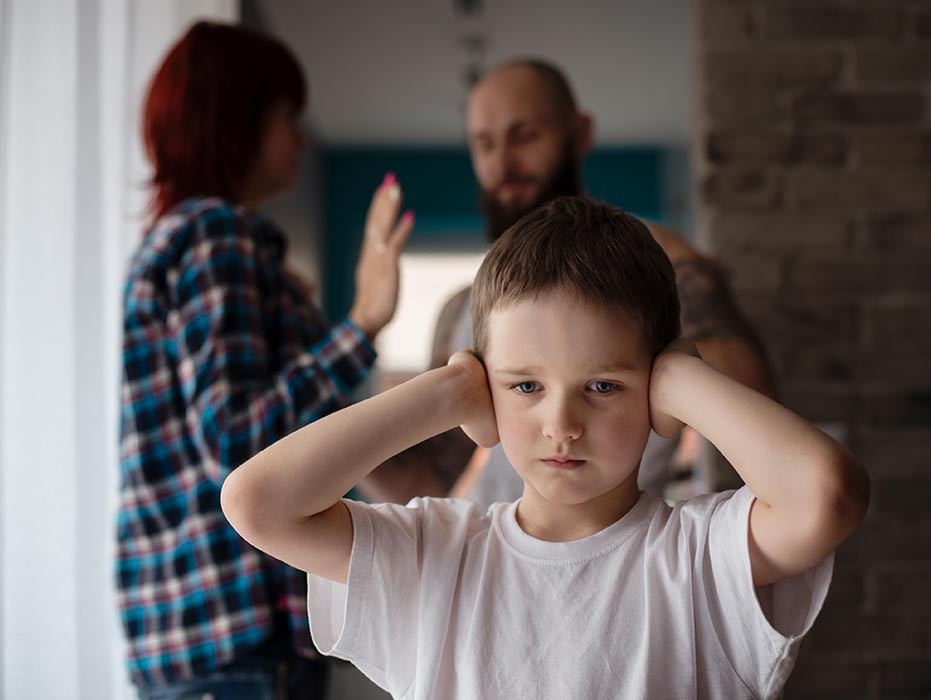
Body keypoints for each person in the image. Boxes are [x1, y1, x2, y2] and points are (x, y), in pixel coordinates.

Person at [222, 196, 870, 699]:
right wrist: (446, 394)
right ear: (486, 385)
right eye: (525, 384)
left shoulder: (699, 557)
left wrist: (681, 378)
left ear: (654, 389)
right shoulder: (435, 556)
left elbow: (828, 494)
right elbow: (256, 502)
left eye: (602, 385)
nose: (562, 423)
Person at [116, 21, 412, 699]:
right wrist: (362, 322)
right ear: (237, 121)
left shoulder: (183, 239)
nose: (302, 140)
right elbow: (236, 439)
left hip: (196, 637)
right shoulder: (216, 235)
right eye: (287, 117)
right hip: (235, 635)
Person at [358, 58, 775, 507]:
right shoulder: (464, 307)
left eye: (524, 136)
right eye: (484, 144)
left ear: (580, 134)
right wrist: (359, 331)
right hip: (498, 559)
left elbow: (756, 416)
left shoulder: (661, 265)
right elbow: (432, 482)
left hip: (621, 553)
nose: (503, 164)